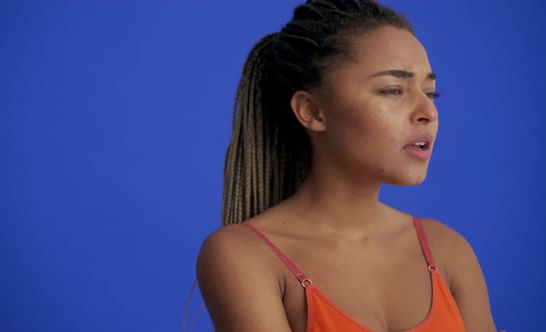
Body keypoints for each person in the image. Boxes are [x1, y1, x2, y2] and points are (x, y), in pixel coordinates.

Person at [196, 0, 502, 331]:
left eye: (431, 92)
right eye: (393, 90)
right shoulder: (243, 256)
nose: (428, 111)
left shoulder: (449, 251)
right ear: (313, 112)